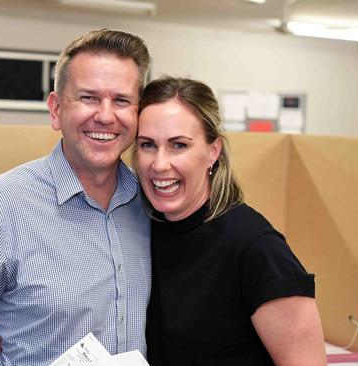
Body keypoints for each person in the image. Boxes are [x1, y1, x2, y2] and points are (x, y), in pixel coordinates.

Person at [0, 29, 152, 366]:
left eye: (122, 100)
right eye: (88, 98)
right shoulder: (1, 208)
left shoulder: (153, 208)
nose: (106, 115)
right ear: (55, 109)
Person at [134, 76, 327, 365]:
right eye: (148, 145)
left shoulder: (255, 247)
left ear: (214, 151)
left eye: (179, 145)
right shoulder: (138, 230)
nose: (160, 164)